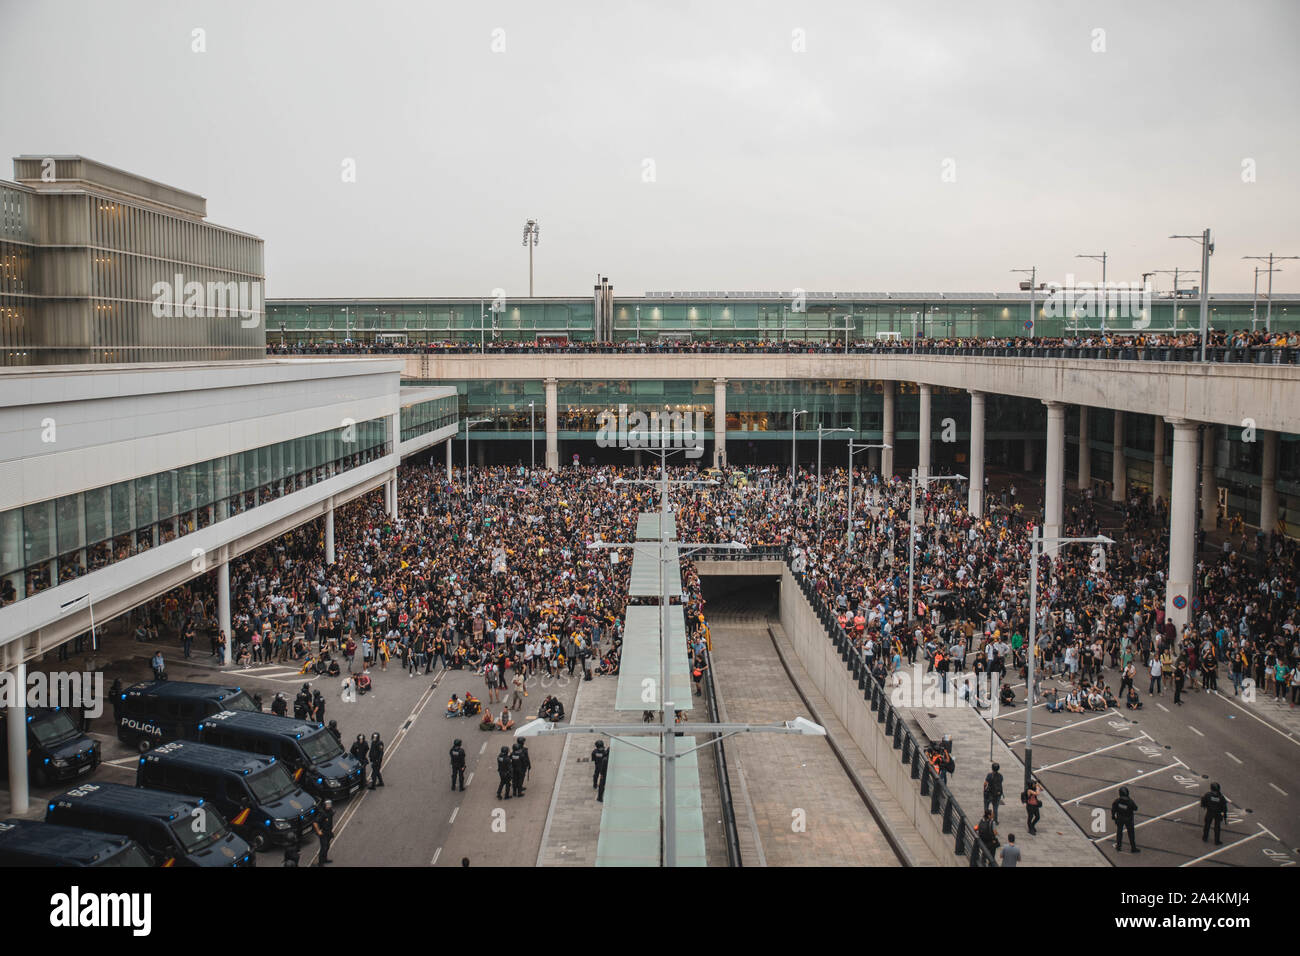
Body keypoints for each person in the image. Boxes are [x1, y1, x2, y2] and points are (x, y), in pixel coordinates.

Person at [1111, 786, 1140, 853]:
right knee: (1131, 833)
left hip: (1120, 818)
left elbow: (1113, 809)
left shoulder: (1117, 801)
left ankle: (1118, 846)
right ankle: (1133, 848)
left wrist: (1113, 817)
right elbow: (1135, 808)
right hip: (1128, 819)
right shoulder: (1130, 802)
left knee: (1119, 832)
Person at [312, 800, 334, 865]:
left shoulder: (330, 811)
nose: (329, 806)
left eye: (330, 804)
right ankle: (320, 863)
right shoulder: (322, 813)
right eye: (328, 805)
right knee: (323, 847)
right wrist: (318, 831)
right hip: (323, 833)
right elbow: (315, 822)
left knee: (327, 846)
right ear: (324, 805)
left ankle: (325, 859)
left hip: (329, 832)